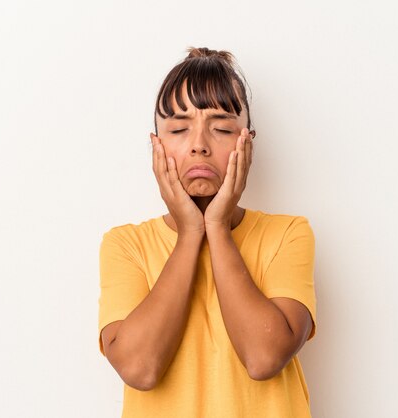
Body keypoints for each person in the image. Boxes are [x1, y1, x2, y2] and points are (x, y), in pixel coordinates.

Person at [98, 47, 317, 418]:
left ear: (247, 141)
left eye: (221, 128)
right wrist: (189, 235)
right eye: (180, 129)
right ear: (156, 145)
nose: (199, 144)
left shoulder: (289, 234)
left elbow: (263, 358)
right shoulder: (125, 245)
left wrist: (215, 226)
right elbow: (140, 369)